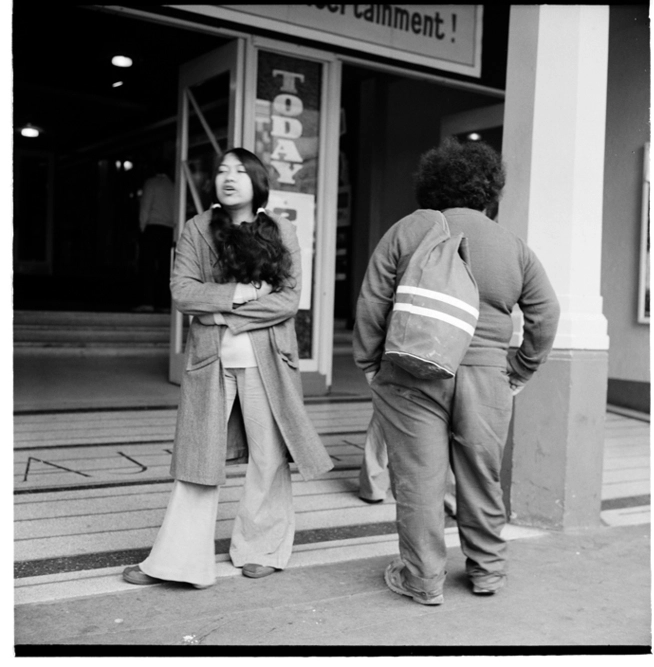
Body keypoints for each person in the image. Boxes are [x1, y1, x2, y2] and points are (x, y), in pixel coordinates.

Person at [353, 137, 560, 605]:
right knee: (480, 475)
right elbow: (546, 314)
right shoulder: (514, 246)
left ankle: (423, 582)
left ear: (432, 184)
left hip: (411, 370)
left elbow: (372, 301)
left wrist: (370, 362)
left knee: (418, 480)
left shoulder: (408, 230)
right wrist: (519, 369)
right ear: (491, 190)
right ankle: (487, 572)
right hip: (487, 376)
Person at [123, 148, 334, 588]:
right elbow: (181, 291)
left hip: (268, 361)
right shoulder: (198, 228)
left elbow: (287, 300)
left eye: (240, 171)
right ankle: (177, 563)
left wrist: (218, 313)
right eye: (221, 170)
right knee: (197, 459)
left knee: (268, 457)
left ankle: (262, 549)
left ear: (258, 181)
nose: (228, 177)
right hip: (209, 359)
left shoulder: (280, 230)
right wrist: (240, 293)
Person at [133, 159, 176, 312]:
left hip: (153, 228)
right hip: (169, 230)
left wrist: (141, 227)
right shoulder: (173, 186)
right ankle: (164, 303)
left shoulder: (151, 183)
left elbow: (145, 207)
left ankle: (147, 302)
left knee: (147, 266)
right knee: (165, 268)